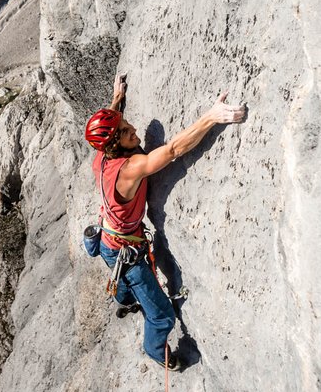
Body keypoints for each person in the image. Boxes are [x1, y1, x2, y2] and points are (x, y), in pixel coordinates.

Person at [84, 73, 246, 370]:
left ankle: (125, 300)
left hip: (110, 241)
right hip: (125, 251)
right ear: (114, 146)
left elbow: (113, 125)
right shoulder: (129, 169)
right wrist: (212, 117)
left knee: (124, 282)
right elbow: (173, 150)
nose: (133, 129)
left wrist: (117, 98)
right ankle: (156, 352)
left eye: (127, 125)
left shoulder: (102, 157)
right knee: (162, 316)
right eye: (125, 131)